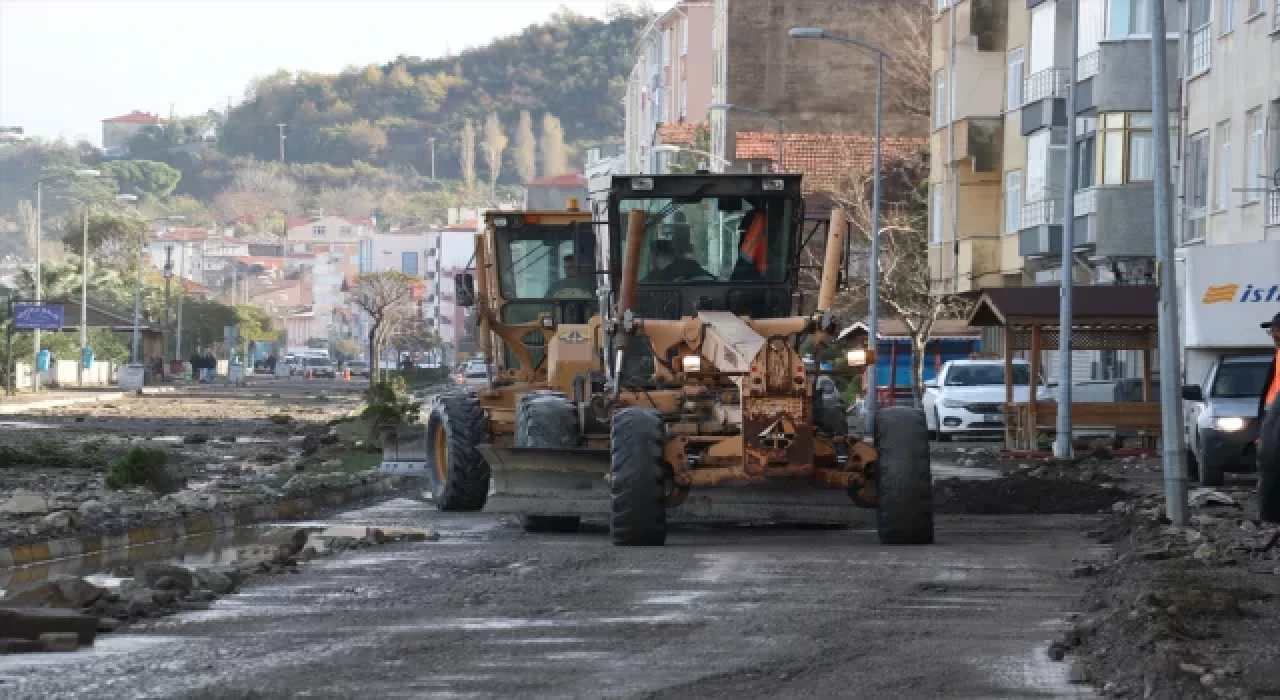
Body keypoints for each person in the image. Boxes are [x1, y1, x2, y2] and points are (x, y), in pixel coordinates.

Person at [1255, 312, 1280, 523]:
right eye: (1271, 330)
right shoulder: (1278, 355)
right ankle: (1271, 516)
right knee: (1270, 467)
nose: (1272, 334)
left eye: (1275, 329)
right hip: (1271, 416)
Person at [646, 223, 714, 283]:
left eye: (652, 256)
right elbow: (714, 280)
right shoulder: (691, 266)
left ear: (658, 255)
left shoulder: (654, 277)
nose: (651, 260)